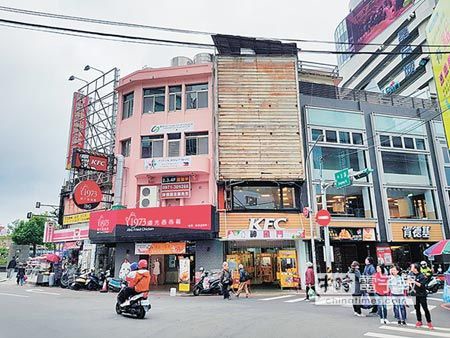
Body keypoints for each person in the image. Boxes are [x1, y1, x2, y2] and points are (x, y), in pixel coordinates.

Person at [408, 263, 433, 329]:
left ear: (416, 268)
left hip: (422, 295)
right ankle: (419, 321)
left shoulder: (422, 276)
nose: (411, 267)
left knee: (425, 309)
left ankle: (429, 322)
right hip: (415, 295)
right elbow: (409, 283)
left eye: (412, 266)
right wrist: (410, 284)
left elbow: (421, 286)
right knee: (417, 309)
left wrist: (414, 281)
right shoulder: (410, 274)